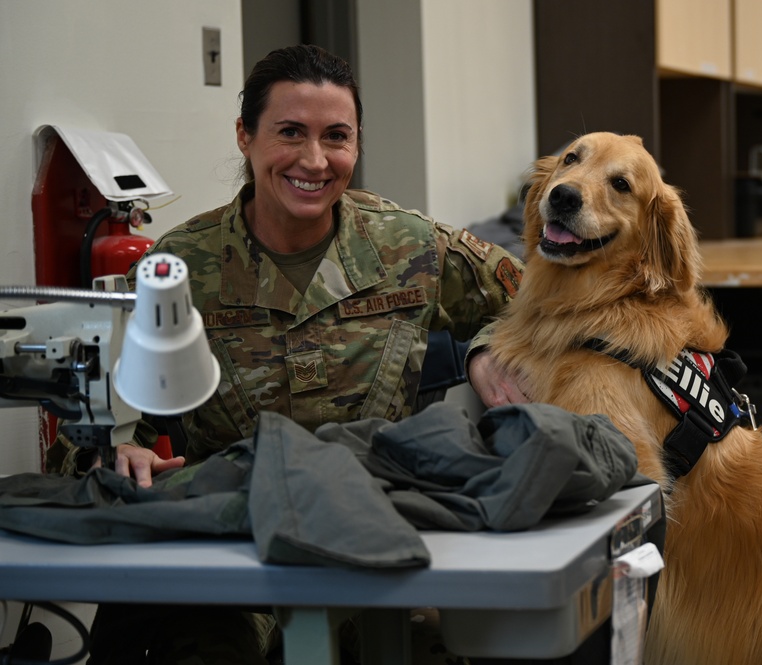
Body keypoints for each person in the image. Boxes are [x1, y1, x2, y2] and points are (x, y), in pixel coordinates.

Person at [64, 44, 528, 665]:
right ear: (244, 137)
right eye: (290, 133)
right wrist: (122, 447)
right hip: (236, 551)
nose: (315, 160)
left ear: (357, 144)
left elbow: (537, 304)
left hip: (374, 542)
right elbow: (109, 416)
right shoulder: (181, 266)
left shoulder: (410, 246)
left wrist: (485, 349)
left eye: (336, 137)